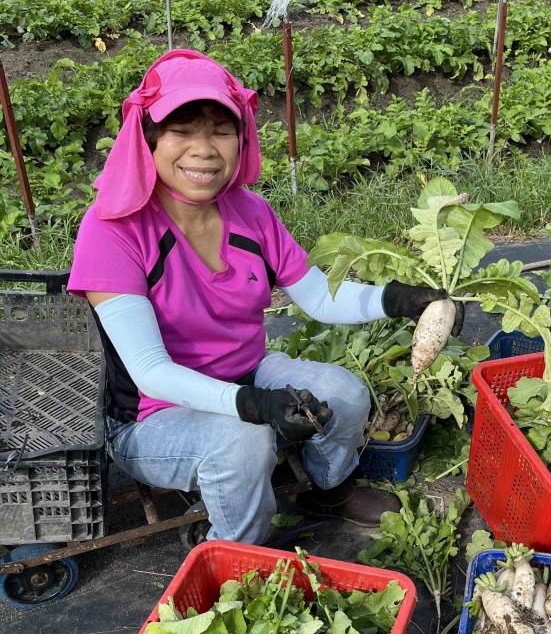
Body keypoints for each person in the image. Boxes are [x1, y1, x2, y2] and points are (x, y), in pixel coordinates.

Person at [68, 48, 456, 543]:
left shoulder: (250, 212)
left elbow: (316, 297)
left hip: (247, 373)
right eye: (182, 130)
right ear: (149, 137)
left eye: (221, 130)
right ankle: (234, 552)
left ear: (241, 137)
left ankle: (330, 487)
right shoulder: (112, 230)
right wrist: (255, 406)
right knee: (242, 444)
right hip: (150, 415)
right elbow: (151, 373)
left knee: (347, 394)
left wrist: (400, 300)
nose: (204, 149)